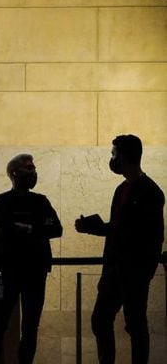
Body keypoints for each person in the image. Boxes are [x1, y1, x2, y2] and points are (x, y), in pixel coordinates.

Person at [75, 134, 164, 364]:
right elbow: (119, 228)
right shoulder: (122, 189)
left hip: (134, 272)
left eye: (114, 154)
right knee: (102, 320)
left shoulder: (151, 192)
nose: (112, 158)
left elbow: (148, 236)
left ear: (125, 156)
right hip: (115, 270)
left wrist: (145, 272)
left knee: (134, 325)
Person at [0, 154, 62, 364]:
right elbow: (8, 228)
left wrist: (26, 227)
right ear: (14, 173)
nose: (33, 172)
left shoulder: (40, 200)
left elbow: (57, 228)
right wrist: (38, 228)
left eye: (34, 168)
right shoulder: (3, 201)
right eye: (29, 168)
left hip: (34, 271)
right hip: (13, 270)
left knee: (29, 327)